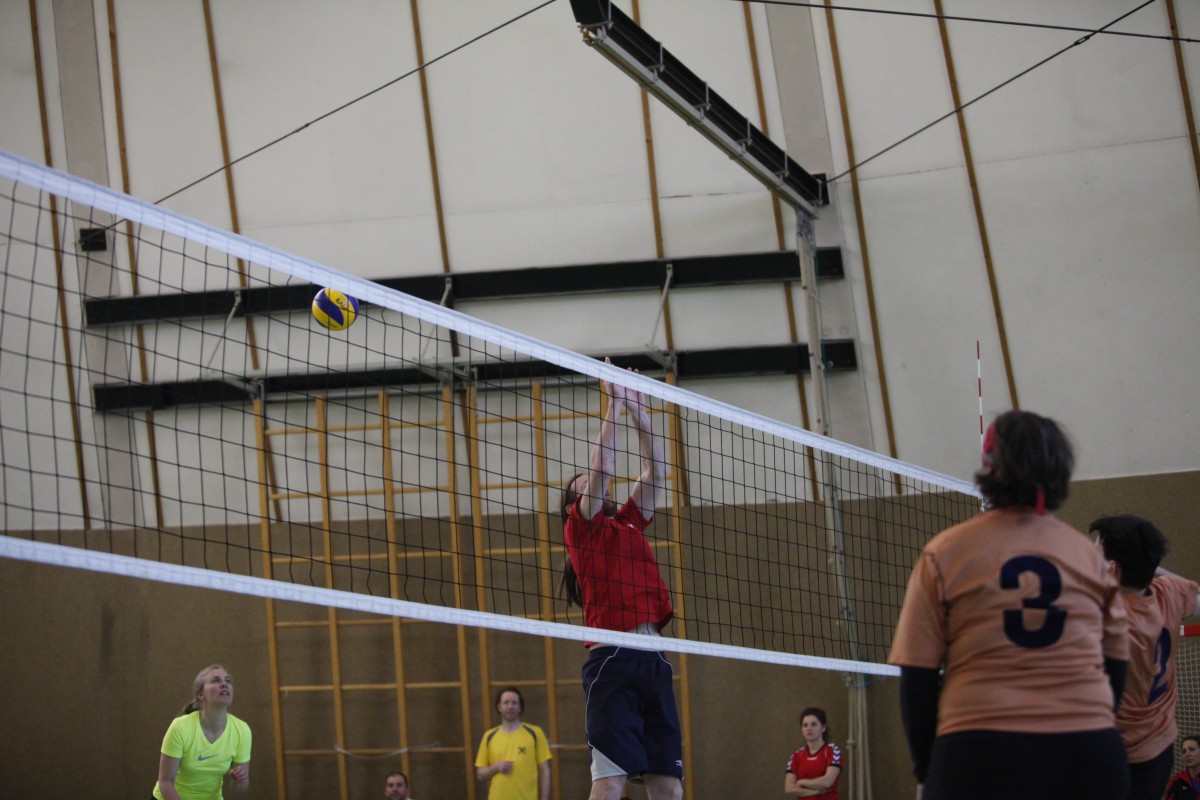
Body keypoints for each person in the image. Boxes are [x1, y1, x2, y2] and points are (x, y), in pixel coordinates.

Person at [888, 410, 1130, 800]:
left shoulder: (945, 553)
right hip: (1087, 754)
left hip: (980, 751)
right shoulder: (1089, 558)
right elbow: (1116, 666)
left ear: (989, 465)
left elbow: (917, 676)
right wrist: (1089, 722)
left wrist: (926, 772)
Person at [559, 358, 682, 800]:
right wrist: (613, 403)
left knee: (669, 787)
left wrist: (639, 411)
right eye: (584, 486)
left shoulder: (629, 522)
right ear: (574, 502)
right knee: (610, 783)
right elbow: (603, 468)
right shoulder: (581, 529)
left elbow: (656, 471)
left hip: (654, 659)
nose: (598, 487)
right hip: (612, 659)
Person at [1091, 515, 1200, 800]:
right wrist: (1149, 564)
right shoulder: (1170, 593)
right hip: (1160, 750)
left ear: (1112, 569)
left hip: (1119, 759)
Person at [152, 664, 252, 800]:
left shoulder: (242, 730)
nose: (224, 684)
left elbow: (239, 789)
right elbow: (165, 782)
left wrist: (239, 780)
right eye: (216, 680)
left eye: (228, 681)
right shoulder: (180, 727)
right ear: (200, 694)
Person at [474, 687, 551, 800]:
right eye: (506, 702)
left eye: (514, 703)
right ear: (499, 707)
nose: (510, 706)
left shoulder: (535, 733)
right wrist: (495, 767)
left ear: (520, 707)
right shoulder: (489, 736)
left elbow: (545, 770)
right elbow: (480, 775)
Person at [784, 706, 842, 799]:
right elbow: (789, 788)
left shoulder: (832, 750)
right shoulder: (797, 755)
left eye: (814, 724)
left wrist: (802, 782)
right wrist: (815, 792)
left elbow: (827, 782)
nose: (809, 728)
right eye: (805, 725)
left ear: (823, 728)